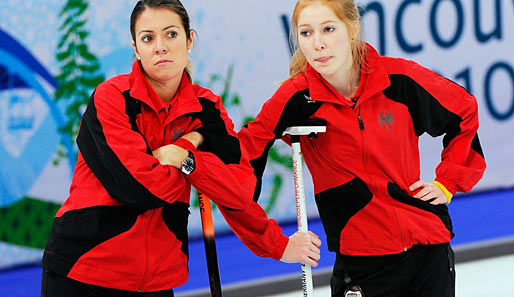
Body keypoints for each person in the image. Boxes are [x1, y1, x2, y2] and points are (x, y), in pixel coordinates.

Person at [40, 1, 320, 296]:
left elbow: (241, 189)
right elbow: (139, 189)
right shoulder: (111, 99)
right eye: (148, 38)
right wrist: (191, 142)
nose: (160, 46)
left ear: (189, 40)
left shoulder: (206, 109)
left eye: (171, 34)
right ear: (136, 48)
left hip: (157, 281)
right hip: (85, 272)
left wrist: (188, 161)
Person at [236, 0, 487, 296]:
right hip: (363, 265)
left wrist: (448, 182)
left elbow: (464, 113)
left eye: (328, 29)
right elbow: (239, 164)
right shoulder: (295, 99)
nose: (318, 43)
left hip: (428, 251)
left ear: (353, 29)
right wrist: (273, 243)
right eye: (306, 33)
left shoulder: (399, 80)